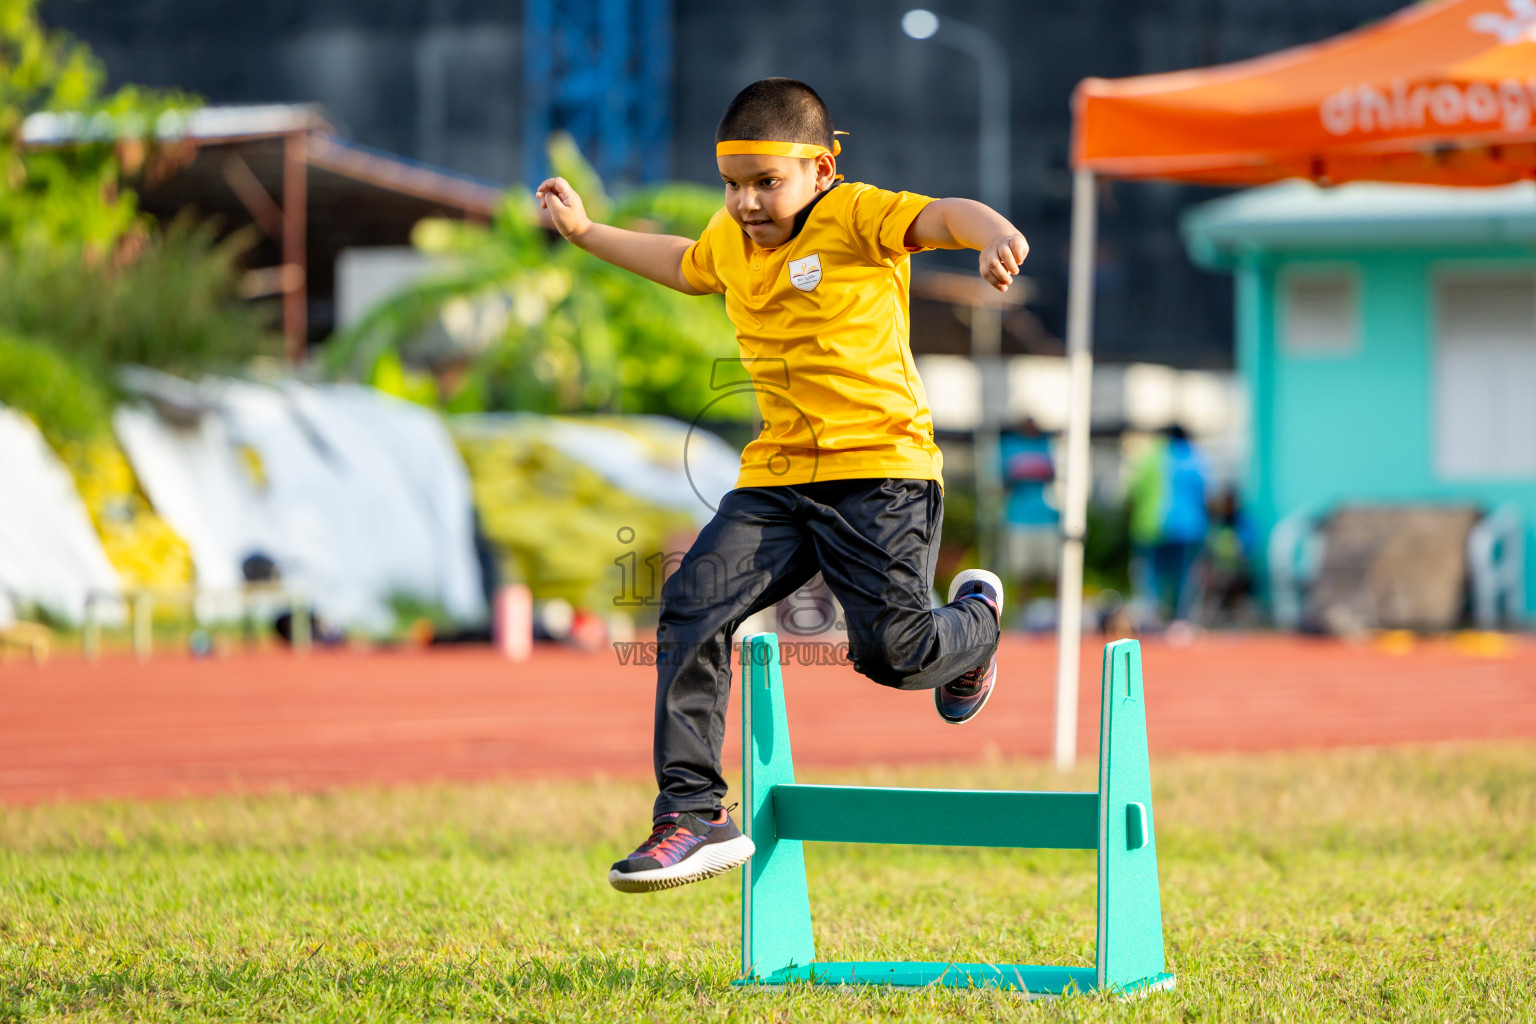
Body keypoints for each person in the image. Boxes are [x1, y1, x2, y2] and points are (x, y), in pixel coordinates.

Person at [538, 78, 1028, 894]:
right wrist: (587, 231)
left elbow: (943, 216)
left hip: (881, 472)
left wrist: (994, 233)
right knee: (693, 603)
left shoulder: (858, 215)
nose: (747, 203)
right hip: (777, 479)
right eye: (734, 185)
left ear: (821, 169)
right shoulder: (729, 238)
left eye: (767, 183)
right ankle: (692, 816)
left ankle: (975, 619)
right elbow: (684, 264)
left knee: (895, 655)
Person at [1127, 424, 1210, 625]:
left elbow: (1133, 492)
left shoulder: (1149, 457)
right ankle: (1182, 620)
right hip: (1188, 528)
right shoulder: (1194, 458)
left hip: (1151, 526)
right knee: (1184, 575)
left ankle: (1153, 617)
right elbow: (1206, 493)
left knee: (1152, 575)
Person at [999, 417, 1059, 599]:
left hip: (1046, 517)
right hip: (1018, 518)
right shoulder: (1009, 445)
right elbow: (1002, 480)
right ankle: (1024, 617)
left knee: (1053, 571)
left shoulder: (1045, 444)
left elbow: (1052, 475)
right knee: (1023, 574)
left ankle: (1056, 613)